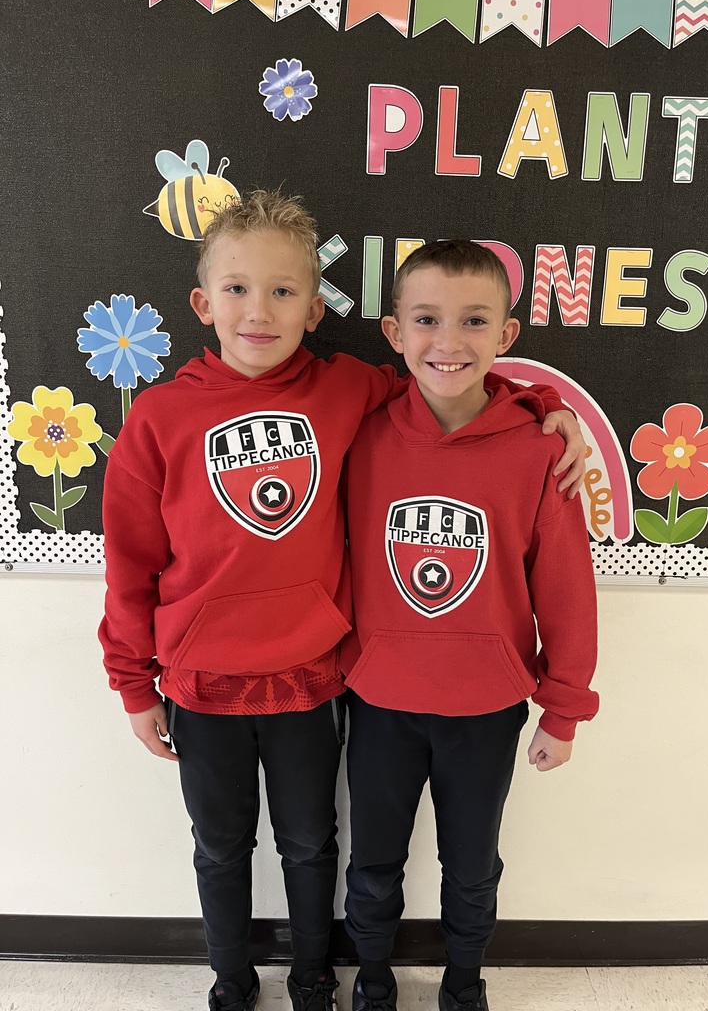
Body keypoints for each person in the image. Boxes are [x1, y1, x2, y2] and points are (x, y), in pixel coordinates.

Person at [99, 192, 586, 1011]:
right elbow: (131, 563)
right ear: (203, 302)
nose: (259, 311)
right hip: (202, 680)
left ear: (316, 308)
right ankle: (229, 978)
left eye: (284, 292)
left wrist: (547, 407)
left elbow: (457, 395)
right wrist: (131, 681)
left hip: (311, 676)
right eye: (238, 290)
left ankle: (317, 975)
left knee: (313, 843)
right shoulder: (159, 417)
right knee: (220, 848)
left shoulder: (349, 390)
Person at [341, 240, 599, 1011]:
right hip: (380, 699)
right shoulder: (360, 432)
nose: (448, 342)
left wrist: (565, 705)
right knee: (374, 861)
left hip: (487, 708)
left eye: (473, 321)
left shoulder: (540, 450)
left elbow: (566, 590)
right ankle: (375, 980)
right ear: (394, 332)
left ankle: (463, 982)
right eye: (426, 319)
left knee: (472, 863)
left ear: (505, 336)